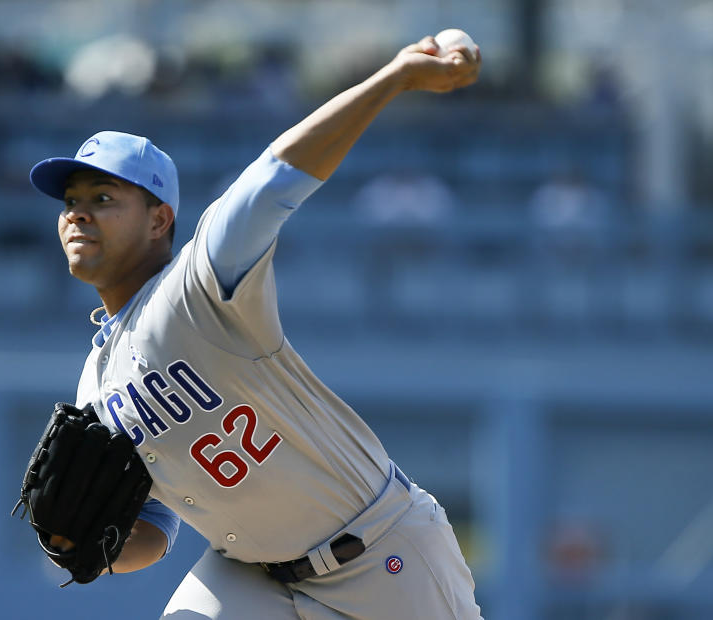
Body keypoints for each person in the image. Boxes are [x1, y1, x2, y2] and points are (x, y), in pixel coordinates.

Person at [29, 34, 483, 619]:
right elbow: (155, 529)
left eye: (103, 195)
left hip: (382, 554)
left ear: (159, 219)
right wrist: (85, 548)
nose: (77, 212)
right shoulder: (95, 382)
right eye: (69, 200)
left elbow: (278, 176)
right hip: (251, 574)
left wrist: (392, 78)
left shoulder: (197, 286)